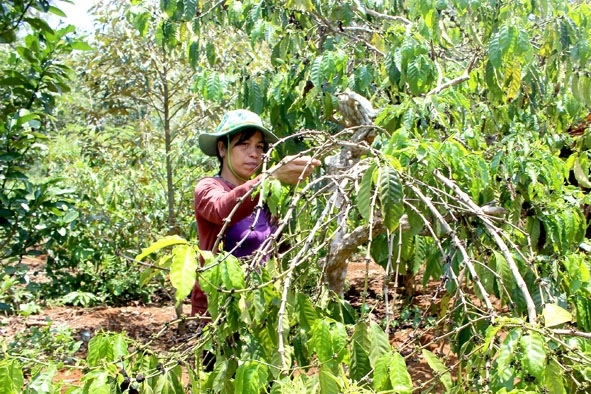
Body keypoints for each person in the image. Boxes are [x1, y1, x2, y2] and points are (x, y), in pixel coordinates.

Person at [191, 109, 321, 317]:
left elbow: (276, 248)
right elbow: (221, 210)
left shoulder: (266, 194)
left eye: (259, 147)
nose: (254, 153)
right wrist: (270, 177)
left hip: (262, 308)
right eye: (244, 144)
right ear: (222, 148)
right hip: (221, 312)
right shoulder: (208, 188)